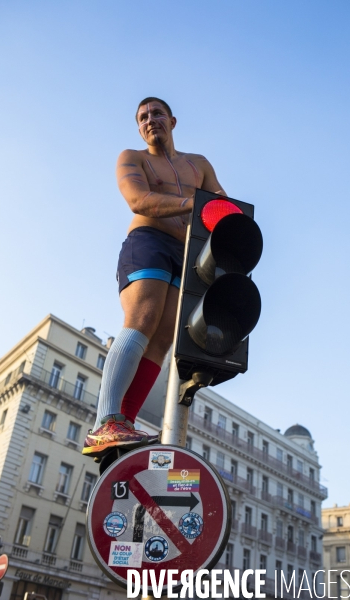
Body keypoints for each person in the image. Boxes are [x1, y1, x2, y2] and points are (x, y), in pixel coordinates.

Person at [82, 97, 226, 458]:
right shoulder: (133, 157)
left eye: (156, 114)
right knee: (142, 319)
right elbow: (138, 199)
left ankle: (122, 425)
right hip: (148, 240)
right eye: (143, 117)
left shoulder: (199, 164)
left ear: (173, 121)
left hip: (188, 254)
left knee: (162, 340)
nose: (150, 121)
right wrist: (193, 204)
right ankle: (105, 422)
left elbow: (221, 204)